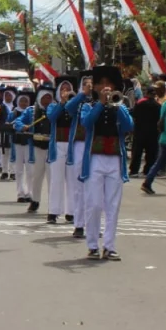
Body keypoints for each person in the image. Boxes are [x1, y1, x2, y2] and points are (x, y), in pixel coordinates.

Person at [79, 65, 134, 261]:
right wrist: (101, 104)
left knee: (113, 205)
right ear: (95, 87)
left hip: (115, 159)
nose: (105, 87)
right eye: (101, 84)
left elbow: (129, 126)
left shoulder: (120, 106)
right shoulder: (88, 106)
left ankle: (109, 246)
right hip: (94, 158)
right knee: (94, 204)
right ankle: (92, 245)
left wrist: (116, 106)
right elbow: (86, 123)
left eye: (109, 83)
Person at [64, 73, 94, 238]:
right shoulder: (79, 101)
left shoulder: (102, 100)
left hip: (96, 146)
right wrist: (83, 94)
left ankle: (94, 224)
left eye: (91, 84)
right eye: (86, 84)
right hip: (80, 145)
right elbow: (68, 107)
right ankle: (79, 225)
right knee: (79, 187)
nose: (89, 86)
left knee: (96, 189)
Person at [16, 84, 53, 214]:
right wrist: (23, 126)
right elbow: (18, 121)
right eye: (44, 98)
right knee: (36, 176)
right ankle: (35, 200)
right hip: (37, 148)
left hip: (52, 149)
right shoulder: (31, 111)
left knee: (52, 178)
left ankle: (53, 205)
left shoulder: (55, 110)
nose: (47, 101)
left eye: (49, 98)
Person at [45, 76, 77, 224]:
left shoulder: (76, 105)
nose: (65, 91)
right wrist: (62, 103)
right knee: (56, 180)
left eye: (68, 89)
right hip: (57, 144)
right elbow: (52, 117)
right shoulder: (53, 105)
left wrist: (71, 102)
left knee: (72, 180)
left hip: (72, 145)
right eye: (63, 89)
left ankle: (71, 212)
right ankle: (53, 211)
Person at [129, 86, 161, 178]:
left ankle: (134, 170)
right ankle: (148, 170)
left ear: (146, 93)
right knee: (151, 152)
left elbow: (134, 115)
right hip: (153, 132)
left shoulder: (140, 103)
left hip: (140, 131)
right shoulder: (158, 105)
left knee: (137, 152)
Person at [9, 89, 33, 202]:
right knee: (19, 170)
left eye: (26, 101)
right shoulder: (13, 113)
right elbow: (8, 125)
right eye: (21, 101)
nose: (24, 103)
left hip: (29, 143)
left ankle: (29, 193)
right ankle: (20, 193)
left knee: (30, 169)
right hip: (17, 143)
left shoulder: (31, 112)